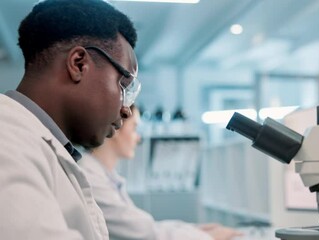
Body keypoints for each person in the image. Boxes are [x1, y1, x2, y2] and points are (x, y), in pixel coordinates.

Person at [0, 0, 140, 239]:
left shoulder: (44, 145)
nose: (126, 110)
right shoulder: (7, 140)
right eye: (123, 85)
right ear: (79, 64)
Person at [79, 105, 243, 240]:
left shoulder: (105, 176)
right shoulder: (90, 178)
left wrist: (194, 229)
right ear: (115, 128)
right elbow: (142, 232)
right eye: (134, 128)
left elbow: (144, 225)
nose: (138, 138)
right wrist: (204, 236)